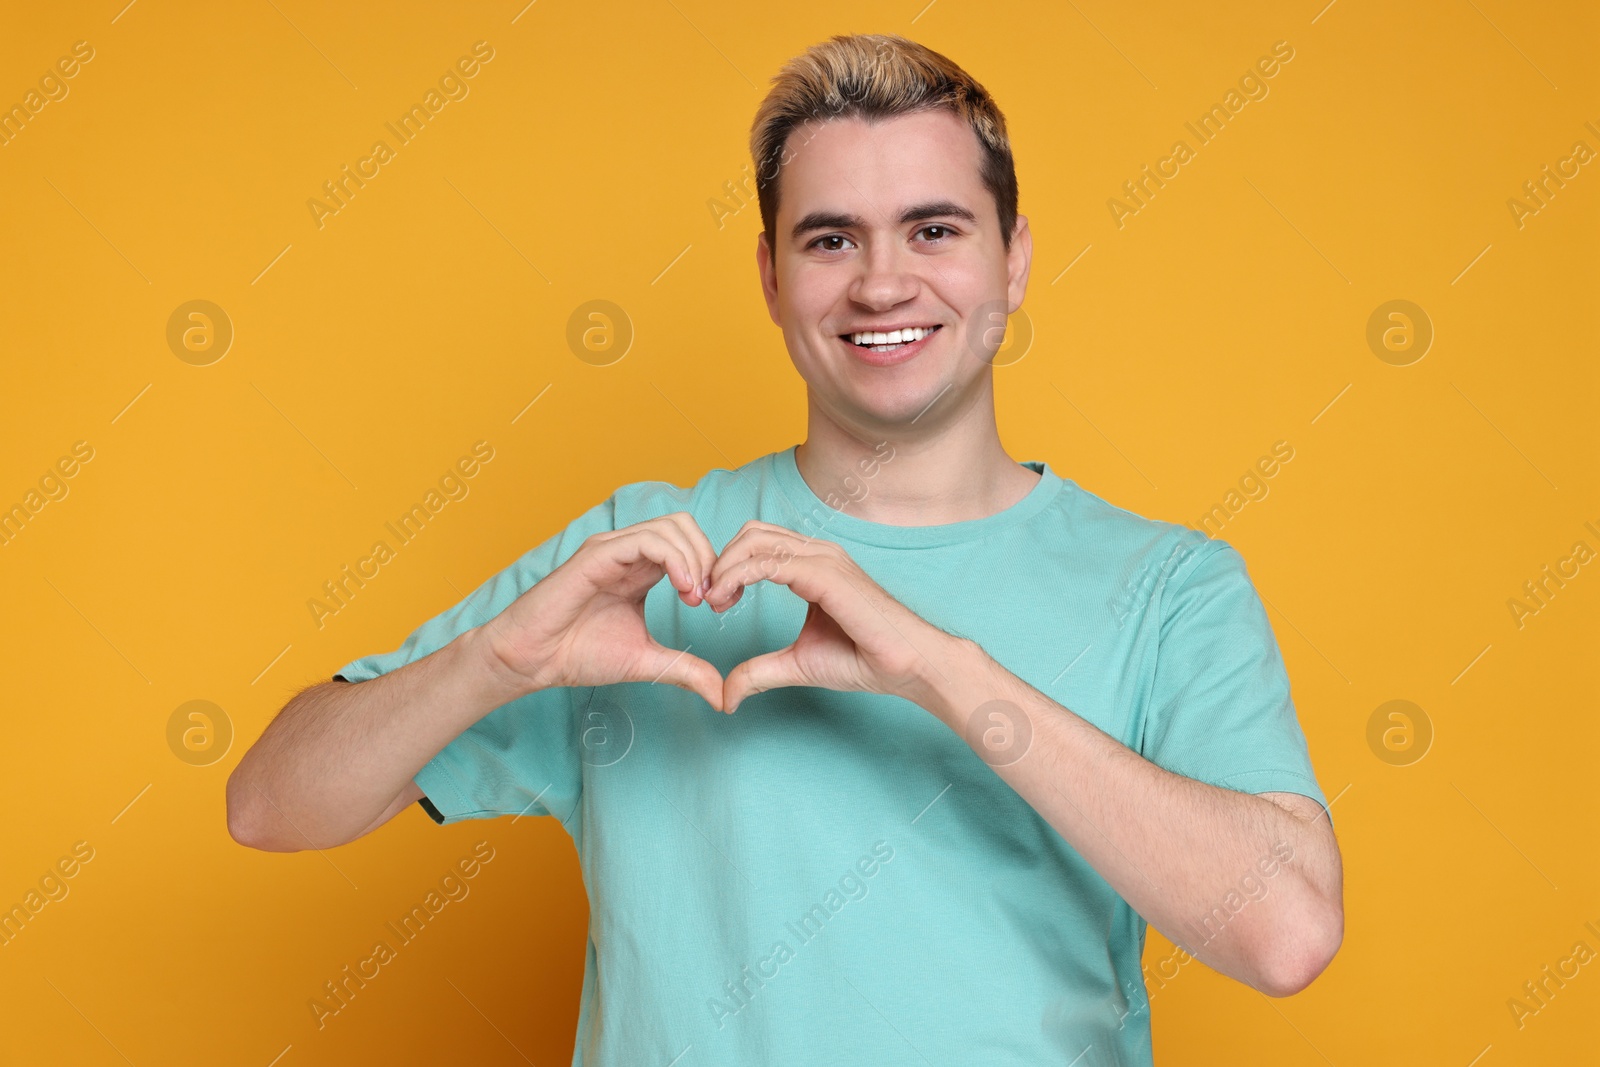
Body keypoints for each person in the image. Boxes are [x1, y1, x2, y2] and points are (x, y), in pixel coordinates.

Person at [227, 32, 1342, 1066]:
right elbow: (271, 806)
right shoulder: (643, 557)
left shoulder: (1169, 586)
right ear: (770, 277)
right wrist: (490, 663)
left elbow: (1286, 930)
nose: (881, 282)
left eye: (935, 228)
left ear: (1013, 261)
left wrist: (940, 672)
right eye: (830, 238)